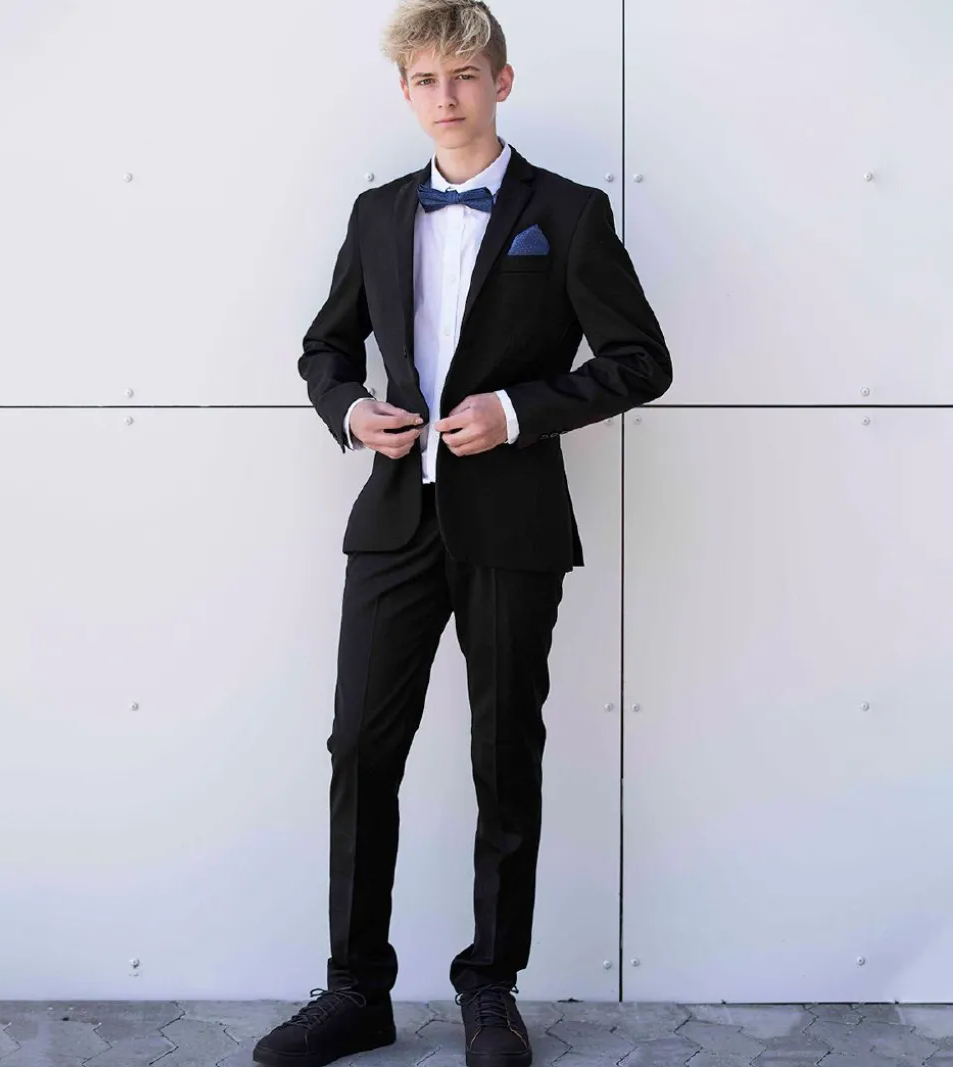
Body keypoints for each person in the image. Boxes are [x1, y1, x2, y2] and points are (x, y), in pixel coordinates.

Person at [253, 1, 671, 1064]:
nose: (446, 97)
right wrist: (351, 408)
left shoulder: (567, 213)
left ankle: (491, 987)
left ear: (502, 82)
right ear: (406, 93)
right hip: (395, 519)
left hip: (513, 525)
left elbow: (640, 360)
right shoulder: (376, 212)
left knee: (502, 752)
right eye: (426, 81)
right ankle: (357, 989)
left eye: (465, 76)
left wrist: (519, 411)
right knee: (360, 747)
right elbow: (324, 348)